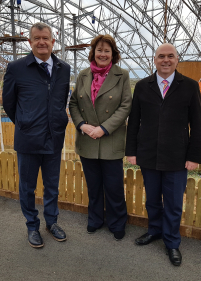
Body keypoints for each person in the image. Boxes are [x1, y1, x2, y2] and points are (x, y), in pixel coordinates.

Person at [125, 43, 201, 266]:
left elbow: (197, 125)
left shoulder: (189, 86)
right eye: (161, 56)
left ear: (177, 59)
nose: (166, 60)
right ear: (154, 60)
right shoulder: (142, 86)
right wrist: (132, 151)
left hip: (177, 157)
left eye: (170, 56)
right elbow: (134, 122)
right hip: (148, 154)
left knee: (173, 203)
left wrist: (194, 155)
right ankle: (155, 231)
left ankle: (172, 242)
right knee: (152, 200)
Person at [2, 22, 71, 248]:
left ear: (53, 42)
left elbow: (61, 101)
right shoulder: (16, 68)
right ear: (30, 42)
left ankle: (52, 222)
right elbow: (9, 103)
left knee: (52, 186)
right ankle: (32, 226)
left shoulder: (63, 69)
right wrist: (25, 122)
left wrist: (57, 123)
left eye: (46, 38)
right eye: (37, 38)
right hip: (29, 139)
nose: (42, 42)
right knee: (27, 187)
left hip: (54, 138)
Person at [69, 34, 132, 241]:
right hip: (87, 140)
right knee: (94, 185)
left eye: (107, 51)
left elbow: (125, 106)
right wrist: (82, 125)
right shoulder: (83, 75)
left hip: (110, 140)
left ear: (113, 54)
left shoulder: (122, 75)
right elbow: (73, 104)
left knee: (113, 187)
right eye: (99, 50)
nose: (103, 54)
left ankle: (117, 222)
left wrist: (104, 128)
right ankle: (95, 219)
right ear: (93, 53)